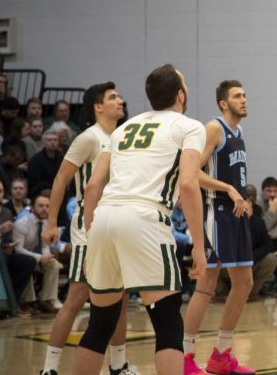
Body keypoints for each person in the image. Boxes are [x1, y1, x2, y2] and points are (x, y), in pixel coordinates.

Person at [72, 64, 207, 375]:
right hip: (145, 218)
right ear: (180, 94)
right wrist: (199, 247)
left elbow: (93, 186)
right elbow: (188, 184)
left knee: (100, 324)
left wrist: (92, 234)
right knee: (168, 323)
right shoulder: (189, 126)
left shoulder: (123, 128)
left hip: (104, 216)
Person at [39, 82, 137, 375]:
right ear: (97, 106)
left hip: (113, 224)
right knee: (76, 298)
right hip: (87, 227)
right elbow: (60, 179)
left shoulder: (122, 136)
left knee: (119, 297)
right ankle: (49, 368)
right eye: (112, 97)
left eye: (119, 96)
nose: (120, 101)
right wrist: (52, 221)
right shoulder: (89, 138)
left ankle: (118, 365)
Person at [183, 80, 254, 375]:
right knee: (207, 285)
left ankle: (221, 354)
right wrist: (228, 189)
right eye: (238, 96)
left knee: (245, 282)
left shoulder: (239, 132)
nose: (244, 99)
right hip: (215, 213)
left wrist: (243, 197)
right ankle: (185, 358)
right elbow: (192, 172)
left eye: (245, 95)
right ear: (223, 103)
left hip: (236, 216)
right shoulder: (213, 128)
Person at [12, 194, 62, 315]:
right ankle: (26, 302)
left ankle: (46, 300)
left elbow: (45, 246)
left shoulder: (46, 223)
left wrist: (46, 257)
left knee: (53, 264)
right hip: (21, 258)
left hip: (37, 258)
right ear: (32, 208)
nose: (44, 209)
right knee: (27, 263)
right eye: (40, 206)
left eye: (47, 206)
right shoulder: (21, 224)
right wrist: (39, 258)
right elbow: (18, 249)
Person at [0, 177, 37, 313]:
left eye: (0, 191)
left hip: (3, 253)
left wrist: (7, 245)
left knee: (28, 262)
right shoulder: (9, 209)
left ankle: (13, 301)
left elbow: (7, 238)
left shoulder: (6, 212)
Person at [27, 130, 64, 199]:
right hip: (41, 194)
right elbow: (34, 181)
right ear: (43, 142)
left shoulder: (62, 158)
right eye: (49, 140)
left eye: (55, 140)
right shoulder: (36, 160)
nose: (52, 142)